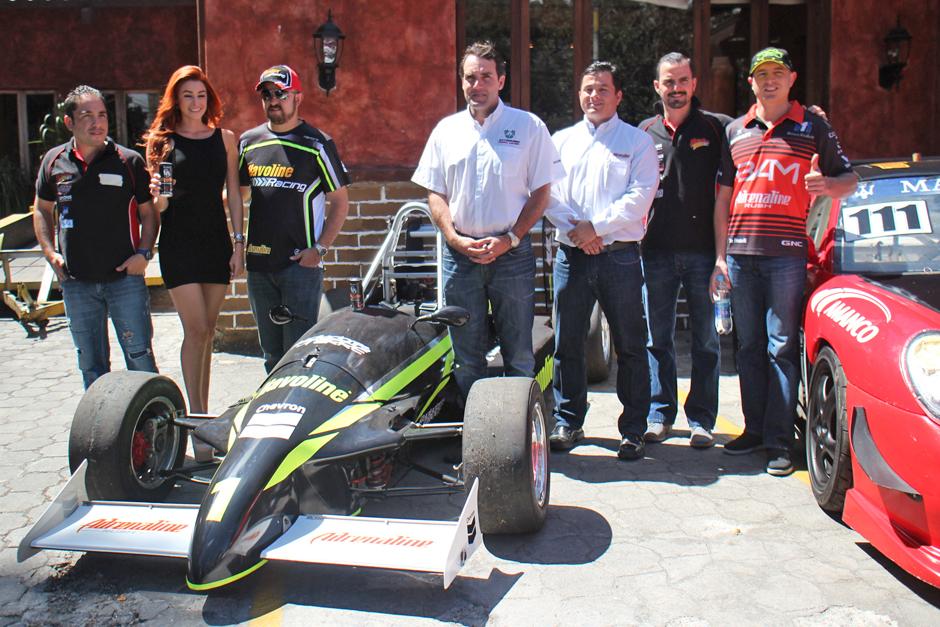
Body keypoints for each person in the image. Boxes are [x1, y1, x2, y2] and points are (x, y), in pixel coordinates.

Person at [715, 47, 857, 476]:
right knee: (748, 347)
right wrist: (720, 257)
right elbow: (723, 198)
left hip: (787, 256)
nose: (770, 80)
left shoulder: (813, 126)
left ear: (792, 78)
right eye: (762, 74)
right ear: (751, 82)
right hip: (740, 255)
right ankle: (754, 430)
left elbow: (850, 181)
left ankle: (780, 441)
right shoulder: (735, 131)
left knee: (780, 347)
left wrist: (825, 184)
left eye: (778, 72)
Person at [411, 41, 563, 398]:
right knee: (467, 358)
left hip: (511, 255)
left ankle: (520, 427)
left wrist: (511, 238)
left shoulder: (528, 127)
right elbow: (435, 193)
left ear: (501, 80)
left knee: (519, 355)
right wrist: (453, 238)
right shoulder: (446, 131)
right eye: (470, 77)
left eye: (486, 77)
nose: (477, 85)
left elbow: (542, 192)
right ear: (461, 81)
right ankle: (474, 427)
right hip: (459, 256)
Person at [545, 61, 659, 460]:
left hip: (620, 259)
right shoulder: (561, 141)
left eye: (603, 89)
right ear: (579, 94)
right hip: (571, 257)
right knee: (567, 343)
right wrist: (579, 232)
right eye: (588, 89)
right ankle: (568, 420)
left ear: (618, 95)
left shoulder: (637, 142)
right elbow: (547, 195)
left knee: (630, 345)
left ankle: (633, 428)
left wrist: (595, 228)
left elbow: (639, 197)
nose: (594, 96)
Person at [33, 85, 159, 389]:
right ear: (69, 122)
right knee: (91, 366)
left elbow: (149, 214)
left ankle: (152, 418)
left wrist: (144, 254)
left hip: (125, 281)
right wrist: (50, 254)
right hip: (76, 282)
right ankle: (100, 421)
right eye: (87, 115)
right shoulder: (54, 161)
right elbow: (41, 209)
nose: (97, 122)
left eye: (102, 114)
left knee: (140, 361)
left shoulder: (128, 161)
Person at [639, 53, 734, 449]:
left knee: (705, 342)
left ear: (694, 84)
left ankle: (701, 420)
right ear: (657, 87)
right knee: (656, 339)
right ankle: (659, 415)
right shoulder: (643, 132)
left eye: (682, 81)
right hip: (655, 252)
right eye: (668, 82)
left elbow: (754, 141)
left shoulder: (718, 128)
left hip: (703, 254)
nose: (675, 89)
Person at [143, 65, 244, 420]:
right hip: (178, 244)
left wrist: (239, 245)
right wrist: (158, 195)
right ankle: (196, 415)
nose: (195, 102)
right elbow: (160, 208)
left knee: (209, 332)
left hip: (216, 242)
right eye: (187, 95)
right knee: (196, 329)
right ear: (176, 99)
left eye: (201, 95)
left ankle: (202, 412)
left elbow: (234, 194)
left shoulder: (226, 139)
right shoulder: (162, 141)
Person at [239, 65, 350, 373]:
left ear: (297, 98)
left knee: (299, 353)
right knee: (271, 354)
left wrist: (320, 249)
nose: (273, 100)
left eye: (281, 94)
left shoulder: (317, 143)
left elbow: (340, 201)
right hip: (259, 265)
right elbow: (239, 195)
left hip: (300, 266)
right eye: (267, 95)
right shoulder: (248, 142)